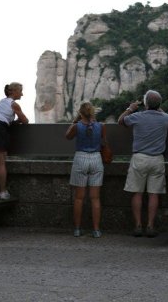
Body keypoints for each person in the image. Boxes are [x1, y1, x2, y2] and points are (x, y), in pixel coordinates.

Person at [118, 90, 168, 237]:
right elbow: (162, 112)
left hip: (139, 158)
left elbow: (120, 120)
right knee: (154, 194)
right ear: (159, 104)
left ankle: (138, 226)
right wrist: (155, 106)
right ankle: (150, 226)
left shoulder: (137, 116)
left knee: (138, 193)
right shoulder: (166, 118)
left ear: (146, 104)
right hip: (157, 159)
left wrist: (131, 108)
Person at [65, 102, 106, 238]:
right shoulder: (101, 126)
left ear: (80, 113)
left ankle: (77, 229)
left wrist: (75, 121)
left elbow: (68, 136)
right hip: (96, 159)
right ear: (92, 113)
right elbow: (103, 142)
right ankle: (96, 230)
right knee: (95, 198)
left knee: (79, 198)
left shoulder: (77, 127)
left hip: (80, 158)